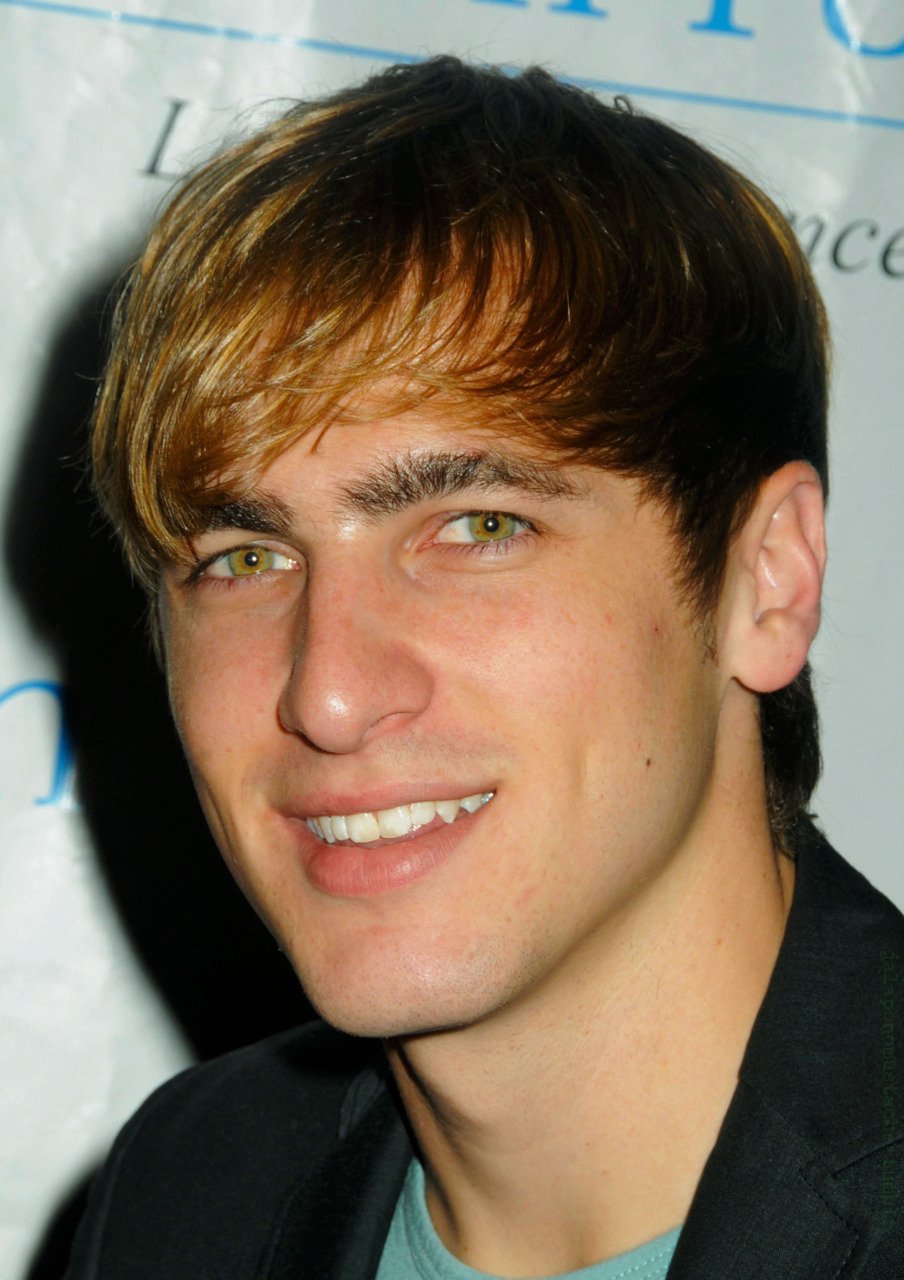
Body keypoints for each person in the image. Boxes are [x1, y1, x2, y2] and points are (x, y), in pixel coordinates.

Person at [67, 56, 902, 1279]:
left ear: (765, 579)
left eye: (477, 526)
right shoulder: (194, 1187)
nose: (327, 693)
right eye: (244, 557)